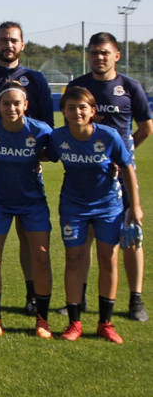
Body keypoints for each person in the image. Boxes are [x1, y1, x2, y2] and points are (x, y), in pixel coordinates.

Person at [0, 21, 54, 317]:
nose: (9, 45)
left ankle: (31, 296)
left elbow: (45, 126)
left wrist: (34, 156)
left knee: (28, 234)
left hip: (27, 169)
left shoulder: (35, 79)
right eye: (4, 40)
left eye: (14, 40)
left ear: (22, 45)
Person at [66, 32, 153, 322]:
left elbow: (145, 128)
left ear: (116, 55)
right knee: (88, 235)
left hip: (121, 175)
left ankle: (135, 300)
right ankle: (82, 297)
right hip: (89, 176)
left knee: (131, 233)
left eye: (105, 52)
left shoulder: (130, 87)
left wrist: (122, 157)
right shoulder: (79, 86)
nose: (99, 57)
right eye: (93, 52)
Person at [47, 87, 142, 344]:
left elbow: (128, 168)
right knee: (74, 259)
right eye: (71, 108)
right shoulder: (58, 137)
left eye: (82, 108)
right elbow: (44, 155)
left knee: (107, 259)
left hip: (108, 207)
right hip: (73, 206)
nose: (77, 112)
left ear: (92, 111)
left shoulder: (109, 136)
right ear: (63, 111)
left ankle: (105, 324)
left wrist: (135, 206)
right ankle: (74, 323)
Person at [0, 81, 53, 338]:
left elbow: (60, 150)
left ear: (26, 105)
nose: (11, 108)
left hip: (33, 203)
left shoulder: (40, 131)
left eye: (17, 103)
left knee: (40, 257)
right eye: (5, 103)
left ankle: (42, 320)